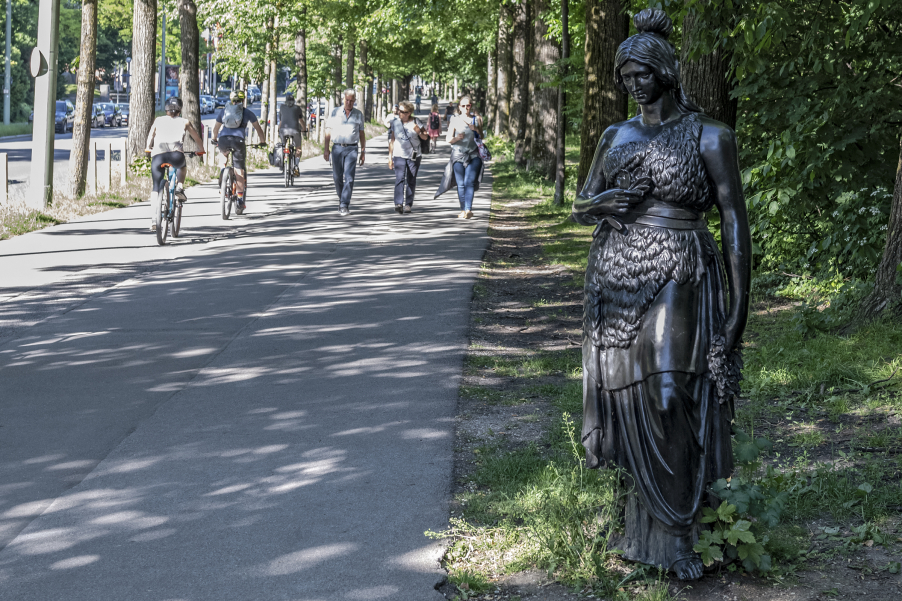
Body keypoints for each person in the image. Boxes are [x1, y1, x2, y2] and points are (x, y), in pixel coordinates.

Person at [571, 9, 751, 581]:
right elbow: (581, 202)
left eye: (642, 74)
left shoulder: (709, 134)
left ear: (667, 71)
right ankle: (639, 519)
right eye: (625, 77)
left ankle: (678, 532)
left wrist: (740, 304)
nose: (633, 85)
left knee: (671, 390)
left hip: (680, 266)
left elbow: (733, 219)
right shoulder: (613, 135)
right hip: (616, 274)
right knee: (627, 397)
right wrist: (602, 204)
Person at [143, 96, 205, 231]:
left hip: (158, 156)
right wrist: (201, 150)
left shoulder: (158, 121)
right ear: (180, 110)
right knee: (182, 166)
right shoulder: (185, 122)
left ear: (166, 109)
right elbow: (196, 137)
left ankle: (154, 218)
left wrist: (148, 148)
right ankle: (180, 187)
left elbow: (151, 136)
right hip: (176, 156)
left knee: (155, 187)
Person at [212, 90, 267, 213]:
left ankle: (223, 176)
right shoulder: (247, 112)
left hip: (223, 140)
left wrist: (214, 139)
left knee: (223, 155)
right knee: (239, 170)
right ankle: (240, 199)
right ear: (243, 100)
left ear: (231, 100)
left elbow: (216, 128)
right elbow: (258, 129)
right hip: (238, 141)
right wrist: (262, 141)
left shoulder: (224, 110)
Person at [324, 88, 366, 216]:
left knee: (349, 177)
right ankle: (342, 199)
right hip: (337, 148)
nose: (349, 103)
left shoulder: (358, 114)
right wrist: (326, 149)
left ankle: (344, 204)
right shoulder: (335, 112)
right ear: (343, 99)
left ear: (354, 101)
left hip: (352, 149)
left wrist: (363, 151)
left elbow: (362, 134)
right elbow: (328, 131)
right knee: (337, 177)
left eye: (351, 101)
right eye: (347, 100)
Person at [385, 100, 429, 214]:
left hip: (414, 155)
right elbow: (392, 140)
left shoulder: (416, 122)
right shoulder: (395, 122)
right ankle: (398, 203)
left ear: (409, 113)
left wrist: (419, 132)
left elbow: (425, 137)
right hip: (399, 154)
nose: (399, 113)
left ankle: (408, 204)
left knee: (411, 179)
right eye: (399, 111)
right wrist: (390, 157)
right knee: (399, 178)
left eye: (402, 111)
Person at [444, 96, 483, 219]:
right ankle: (463, 209)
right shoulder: (454, 120)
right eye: (463, 106)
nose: (466, 108)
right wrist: (457, 138)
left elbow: (481, 137)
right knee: (461, 183)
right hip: (458, 154)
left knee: (469, 182)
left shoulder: (477, 119)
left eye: (468, 105)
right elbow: (448, 139)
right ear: (459, 107)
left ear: (471, 106)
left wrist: (476, 129)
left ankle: (468, 209)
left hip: (474, 154)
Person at [278, 92, 306, 176]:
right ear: (293, 101)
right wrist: (304, 129)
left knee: (283, 145)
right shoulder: (297, 108)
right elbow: (301, 121)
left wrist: (279, 130)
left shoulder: (282, 107)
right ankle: (296, 166)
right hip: (295, 130)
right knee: (298, 148)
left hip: (283, 130)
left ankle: (283, 162)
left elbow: (281, 121)